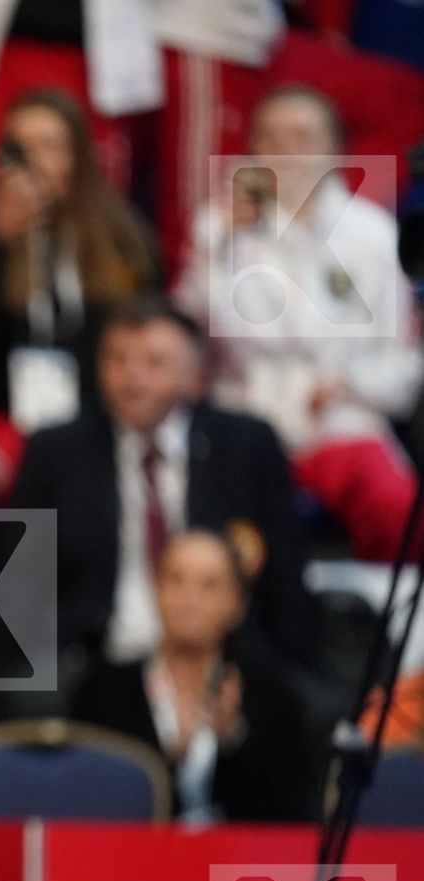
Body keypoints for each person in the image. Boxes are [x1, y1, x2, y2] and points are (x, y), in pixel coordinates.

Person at [11, 294, 318, 696]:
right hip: (96, 665)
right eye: (117, 360)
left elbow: (282, 578)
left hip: (224, 661)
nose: (132, 379)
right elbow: (20, 585)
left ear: (196, 377)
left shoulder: (245, 446)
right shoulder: (56, 451)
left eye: (154, 363)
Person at [173, 85, 423, 562]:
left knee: (398, 506)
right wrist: (221, 244)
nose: (286, 152)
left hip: (340, 421)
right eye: (270, 138)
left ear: (335, 150)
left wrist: (349, 386)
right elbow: (192, 343)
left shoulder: (373, 234)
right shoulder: (218, 227)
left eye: (302, 137)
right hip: (246, 419)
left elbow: (406, 363)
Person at [0, 88, 155, 497]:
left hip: (97, 423)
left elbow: (142, 331)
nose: (34, 162)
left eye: (49, 146)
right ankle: (15, 562)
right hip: (1, 422)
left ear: (78, 159)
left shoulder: (121, 235)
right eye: (21, 148)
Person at [72, 530, 319, 822]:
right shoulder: (100, 691)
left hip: (234, 862)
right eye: (175, 580)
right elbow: (90, 805)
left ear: (238, 605)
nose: (189, 599)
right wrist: (169, 758)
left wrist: (233, 740)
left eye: (209, 586)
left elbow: (291, 819)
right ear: (156, 590)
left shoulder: (274, 699)